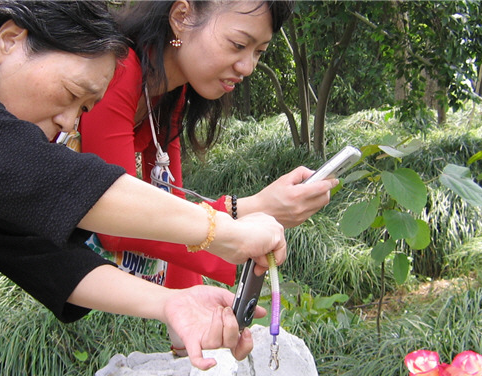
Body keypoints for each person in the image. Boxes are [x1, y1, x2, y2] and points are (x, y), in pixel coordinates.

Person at [0, 0, 287, 376]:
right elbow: (45, 174)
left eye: (84, 108)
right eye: (71, 93)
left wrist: (171, 304)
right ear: (11, 40)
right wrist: (225, 227)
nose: (67, 124)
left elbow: (49, 257)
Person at [79, 0, 338, 289]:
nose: (248, 66)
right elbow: (117, 224)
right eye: (238, 44)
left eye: (259, 52)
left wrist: (195, 308)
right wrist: (253, 207)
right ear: (182, 17)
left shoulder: (170, 94)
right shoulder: (119, 71)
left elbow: (170, 209)